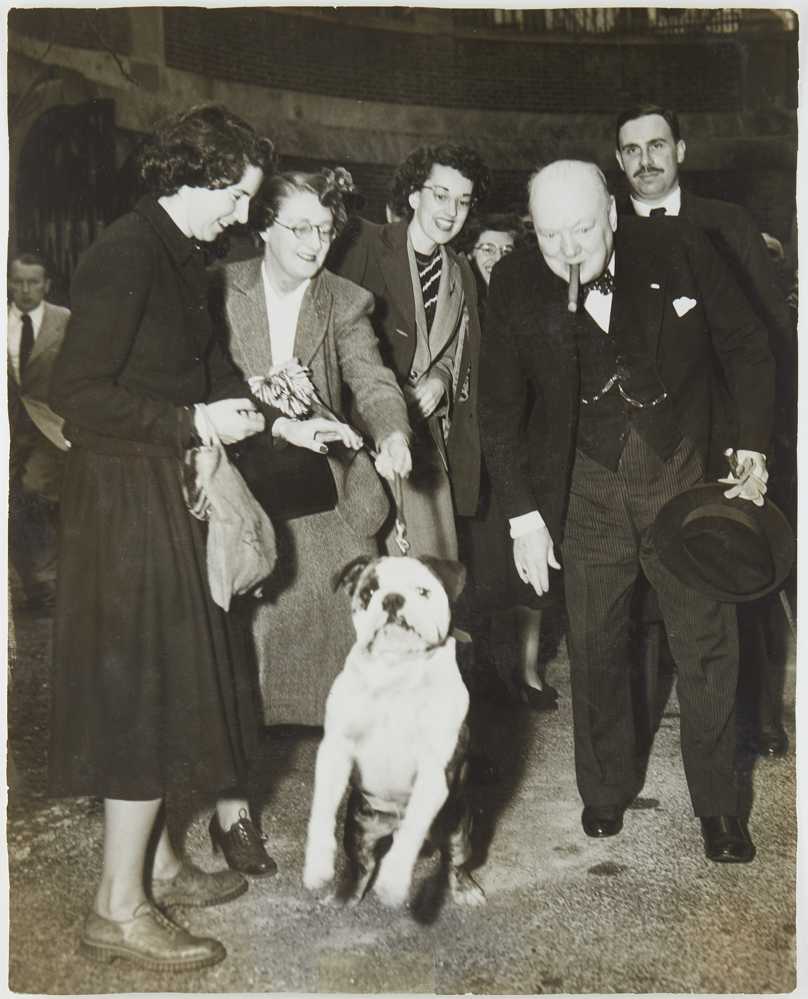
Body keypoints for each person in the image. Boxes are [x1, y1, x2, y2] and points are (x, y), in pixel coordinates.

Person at [479, 160, 774, 863]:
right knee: (595, 643)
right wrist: (523, 515)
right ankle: (604, 787)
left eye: (583, 229)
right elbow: (497, 409)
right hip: (581, 489)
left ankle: (721, 808)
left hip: (680, 475)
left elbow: (746, 346)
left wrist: (751, 445)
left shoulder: (682, 247)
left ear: (612, 213)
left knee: (707, 645)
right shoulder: (515, 281)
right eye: (551, 236)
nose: (570, 250)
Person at [48, 104, 276, 971]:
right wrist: (190, 417)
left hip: (163, 486)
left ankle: (161, 859)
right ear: (194, 174)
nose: (244, 215)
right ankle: (117, 905)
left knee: (174, 682)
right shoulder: (123, 254)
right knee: (141, 693)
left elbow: (206, 368)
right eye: (238, 196)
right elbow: (79, 391)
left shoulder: (186, 258)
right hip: (121, 496)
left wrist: (272, 414)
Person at [615, 103, 797, 758]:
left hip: (721, 432)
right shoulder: (604, 228)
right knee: (642, 586)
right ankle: (636, 728)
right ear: (618, 160)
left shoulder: (727, 224)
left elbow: (766, 335)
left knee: (738, 566)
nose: (646, 159)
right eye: (631, 149)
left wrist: (760, 434)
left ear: (681, 150)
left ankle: (758, 717)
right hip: (641, 440)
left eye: (657, 144)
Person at [211, 166, 412, 730]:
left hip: (321, 482)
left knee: (344, 635)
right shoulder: (221, 289)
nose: (313, 244)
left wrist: (392, 431)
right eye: (298, 229)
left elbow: (371, 379)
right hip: (241, 476)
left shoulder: (345, 300)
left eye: (324, 230)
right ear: (265, 228)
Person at [330, 143, 490, 560]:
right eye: (441, 195)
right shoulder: (365, 242)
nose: (451, 211)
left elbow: (461, 349)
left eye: (463, 201)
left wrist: (441, 377)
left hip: (426, 442)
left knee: (433, 567)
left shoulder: (462, 272)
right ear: (415, 195)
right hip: (365, 435)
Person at [455, 213, 559, 710]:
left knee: (532, 573)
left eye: (505, 251)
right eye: (485, 251)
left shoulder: (533, 303)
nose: (496, 260)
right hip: (472, 459)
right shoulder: (459, 309)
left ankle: (529, 670)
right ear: (470, 256)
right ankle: (489, 676)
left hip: (524, 453)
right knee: (485, 572)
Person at [7, 251, 70, 612]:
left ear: (46, 284)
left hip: (50, 427)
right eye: (18, 281)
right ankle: (36, 584)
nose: (25, 290)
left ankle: (47, 584)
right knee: (15, 505)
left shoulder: (65, 320)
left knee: (36, 495)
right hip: (11, 429)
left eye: (33, 282)